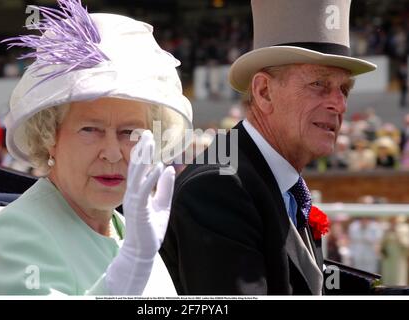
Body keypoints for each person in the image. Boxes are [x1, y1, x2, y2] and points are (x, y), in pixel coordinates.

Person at [0, 0, 192, 295]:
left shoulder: (126, 228)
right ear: (49, 138)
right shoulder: (16, 237)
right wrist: (131, 266)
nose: (112, 152)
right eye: (90, 130)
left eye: (129, 132)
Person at [160, 0, 376, 295]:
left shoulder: (268, 177)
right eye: (319, 84)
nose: (338, 104)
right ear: (264, 92)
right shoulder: (219, 188)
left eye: (344, 89)